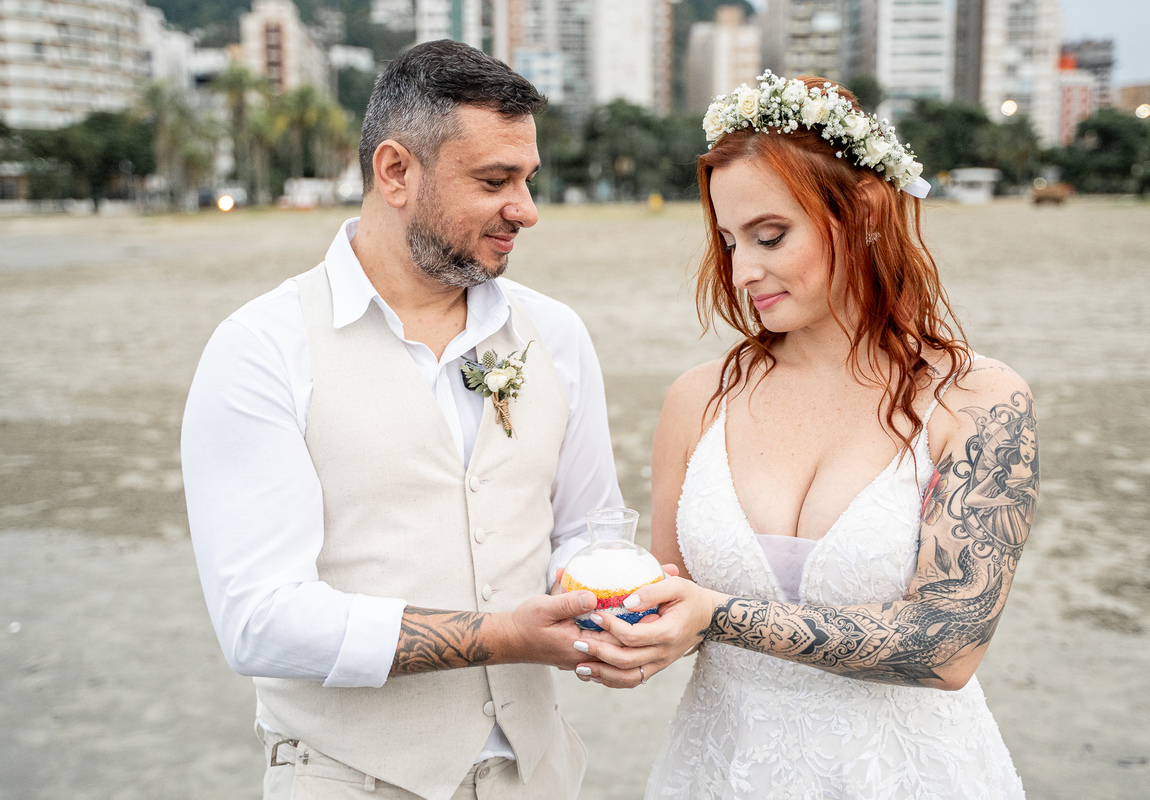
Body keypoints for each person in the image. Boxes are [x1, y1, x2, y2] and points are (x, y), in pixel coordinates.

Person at [181, 41, 629, 800]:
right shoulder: (261, 348)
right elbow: (259, 620)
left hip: (540, 774)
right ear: (396, 172)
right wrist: (501, 637)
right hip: (348, 780)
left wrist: (606, 606)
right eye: (495, 181)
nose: (526, 209)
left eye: (527, 179)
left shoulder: (555, 335)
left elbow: (589, 526)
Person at [574, 73, 1036, 798]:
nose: (742, 270)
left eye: (770, 235)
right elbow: (675, 598)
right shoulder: (698, 401)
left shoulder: (977, 400)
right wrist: (628, 637)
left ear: (865, 210)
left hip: (905, 775)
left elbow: (949, 645)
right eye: (728, 241)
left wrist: (721, 615)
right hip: (722, 768)